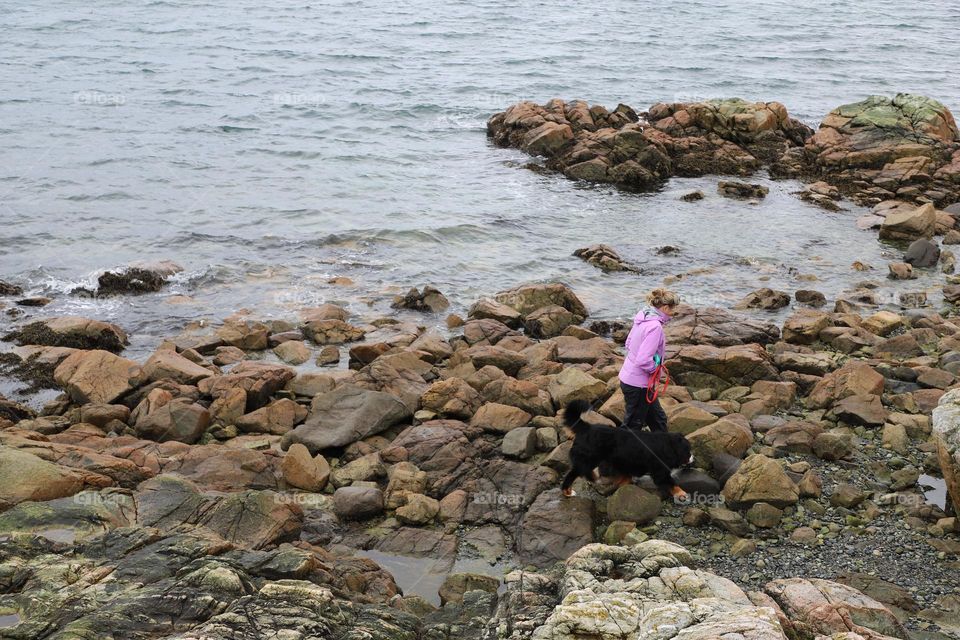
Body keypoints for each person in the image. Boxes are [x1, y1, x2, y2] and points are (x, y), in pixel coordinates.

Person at [617, 288, 679, 432]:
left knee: (658, 420)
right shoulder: (655, 327)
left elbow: (628, 343)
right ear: (664, 307)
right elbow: (643, 360)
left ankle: (663, 451)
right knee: (633, 426)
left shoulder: (642, 317)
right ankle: (620, 453)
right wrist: (655, 369)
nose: (673, 312)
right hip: (638, 385)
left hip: (631, 379)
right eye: (673, 308)